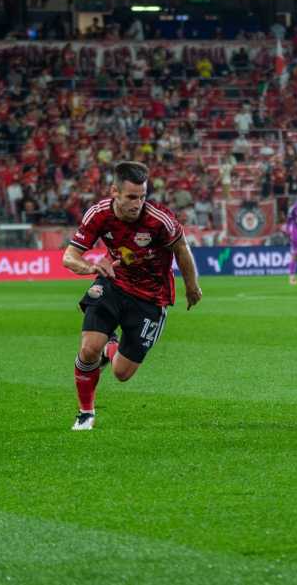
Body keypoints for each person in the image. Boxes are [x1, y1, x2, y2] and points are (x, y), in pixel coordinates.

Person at [62, 161, 202, 431]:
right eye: (131, 197)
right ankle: (85, 413)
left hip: (152, 296)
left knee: (121, 373)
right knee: (88, 348)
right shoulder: (99, 214)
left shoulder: (159, 219)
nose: (138, 203)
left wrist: (192, 286)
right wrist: (90, 267)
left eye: (142, 196)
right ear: (114, 191)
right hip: (114, 283)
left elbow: (182, 249)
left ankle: (109, 349)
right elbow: (70, 256)